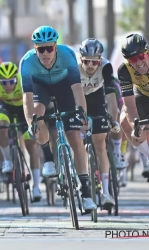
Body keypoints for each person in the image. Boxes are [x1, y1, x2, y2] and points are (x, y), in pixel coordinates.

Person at [19, 25, 96, 211]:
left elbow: (77, 90)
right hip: (40, 87)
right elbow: (27, 99)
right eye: (40, 49)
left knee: (76, 139)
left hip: (64, 87)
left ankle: (86, 193)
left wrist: (82, 113)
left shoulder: (67, 55)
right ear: (35, 49)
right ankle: (48, 157)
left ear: (55, 46)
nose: (45, 53)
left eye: (49, 48)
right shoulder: (27, 62)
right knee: (38, 114)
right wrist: (31, 123)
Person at [0, 62, 42, 201]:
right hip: (6, 109)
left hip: (23, 109)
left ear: (16, 79)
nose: (8, 85)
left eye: (11, 81)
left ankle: (36, 186)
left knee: (32, 144)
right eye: (4, 82)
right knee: (2, 128)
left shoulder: (24, 81)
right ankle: (8, 161)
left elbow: (32, 103)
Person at [77, 38, 121, 208]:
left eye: (94, 62)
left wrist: (113, 120)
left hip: (96, 98)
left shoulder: (106, 66)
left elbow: (111, 99)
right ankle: (80, 179)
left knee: (100, 143)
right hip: (77, 97)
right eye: (86, 61)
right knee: (76, 140)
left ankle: (106, 192)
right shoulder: (74, 67)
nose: (90, 66)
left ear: (100, 60)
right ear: (81, 59)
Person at [118, 34, 149, 175]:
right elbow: (130, 105)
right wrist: (136, 126)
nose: (138, 63)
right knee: (124, 119)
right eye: (132, 60)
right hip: (142, 95)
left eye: (141, 57)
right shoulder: (124, 70)